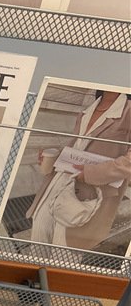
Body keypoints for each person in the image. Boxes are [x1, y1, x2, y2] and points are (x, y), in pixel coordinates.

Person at [26, 90, 131, 250]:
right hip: (58, 182)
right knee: (39, 235)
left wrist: (92, 174)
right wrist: (54, 159)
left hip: (89, 193)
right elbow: (79, 146)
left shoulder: (127, 110)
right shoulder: (91, 106)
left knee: (64, 250)